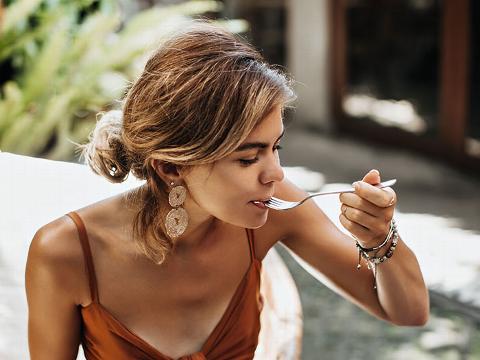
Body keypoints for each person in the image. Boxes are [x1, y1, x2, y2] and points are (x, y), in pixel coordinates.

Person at [25, 22, 429, 360]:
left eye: (276, 147)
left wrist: (379, 239)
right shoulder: (65, 252)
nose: (275, 173)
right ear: (171, 167)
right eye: (247, 159)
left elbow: (407, 312)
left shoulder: (276, 209)